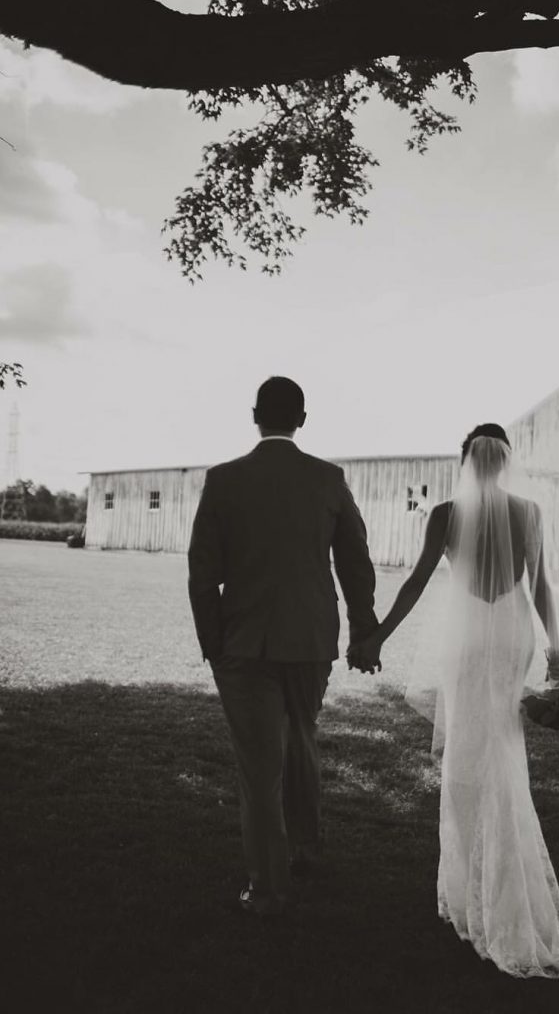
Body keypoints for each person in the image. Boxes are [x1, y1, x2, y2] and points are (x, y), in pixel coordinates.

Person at [349, 423, 559, 977]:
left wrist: (377, 635)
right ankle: (498, 878)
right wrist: (555, 647)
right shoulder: (530, 512)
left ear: (467, 461)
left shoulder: (445, 514)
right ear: (504, 463)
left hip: (470, 636)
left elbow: (418, 581)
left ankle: (475, 890)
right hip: (513, 632)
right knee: (503, 748)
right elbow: (541, 585)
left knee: (466, 760)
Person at [188, 376, 379, 917]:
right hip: (312, 637)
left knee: (259, 765)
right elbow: (355, 560)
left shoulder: (223, 480)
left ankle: (268, 889)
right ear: (302, 418)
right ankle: (304, 848)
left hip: (244, 643)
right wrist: (363, 627)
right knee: (301, 740)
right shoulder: (328, 479)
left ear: (255, 415)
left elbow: (203, 570)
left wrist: (213, 642)